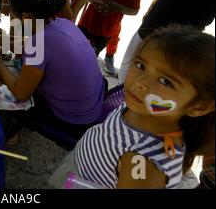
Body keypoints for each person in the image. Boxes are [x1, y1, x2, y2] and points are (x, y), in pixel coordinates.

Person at [50, 26, 215, 189]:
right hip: (82, 165)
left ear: (199, 107)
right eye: (141, 65)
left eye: (165, 81)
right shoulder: (140, 106)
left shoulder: (143, 162)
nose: (139, 82)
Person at [0, 0, 106, 141]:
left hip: (73, 121)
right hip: (94, 104)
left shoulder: (38, 43)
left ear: (26, 18)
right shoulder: (63, 23)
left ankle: (11, 132)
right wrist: (3, 42)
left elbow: (20, 93)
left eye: (14, 17)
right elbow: (32, 49)